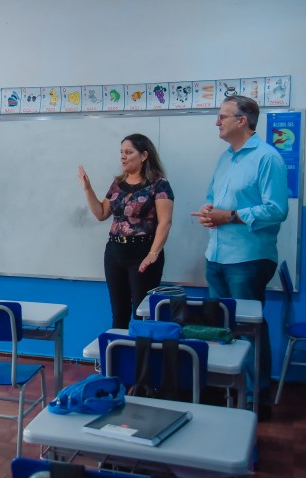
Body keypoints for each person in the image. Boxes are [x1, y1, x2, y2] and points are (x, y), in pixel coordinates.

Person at [191, 95, 288, 417]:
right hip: (217, 254)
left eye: (222, 117)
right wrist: (209, 211)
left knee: (249, 329)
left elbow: (277, 210)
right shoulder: (225, 158)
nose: (217, 122)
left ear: (241, 121)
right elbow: (213, 198)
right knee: (221, 328)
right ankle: (227, 392)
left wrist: (229, 216)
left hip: (248, 258)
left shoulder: (266, 157)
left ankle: (254, 399)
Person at [78, 134, 174, 329]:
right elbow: (101, 213)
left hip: (143, 254)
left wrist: (152, 254)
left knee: (142, 313)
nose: (123, 156)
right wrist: (87, 189)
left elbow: (165, 222)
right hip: (115, 253)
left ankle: (141, 357)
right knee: (119, 312)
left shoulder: (159, 184)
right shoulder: (118, 184)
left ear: (144, 155)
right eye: (121, 152)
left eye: (128, 152)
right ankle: (119, 357)